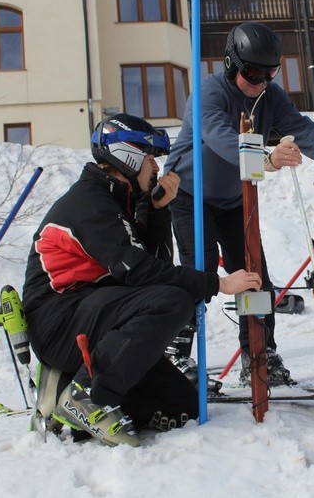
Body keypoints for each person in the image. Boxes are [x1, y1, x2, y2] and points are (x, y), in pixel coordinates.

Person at [22, 113, 259, 447]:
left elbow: (154, 266)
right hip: (59, 321)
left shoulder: (121, 200)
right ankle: (88, 393)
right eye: (149, 157)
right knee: (172, 300)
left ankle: (65, 395)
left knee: (183, 408)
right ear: (125, 155)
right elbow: (141, 273)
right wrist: (217, 284)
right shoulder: (90, 203)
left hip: (96, 318)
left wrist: (159, 209)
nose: (155, 166)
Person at [165, 22, 314, 388]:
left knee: (255, 278)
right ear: (231, 64)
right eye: (253, 72)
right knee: (201, 273)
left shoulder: (270, 95)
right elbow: (221, 138)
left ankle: (260, 352)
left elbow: (299, 127)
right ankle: (175, 354)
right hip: (190, 195)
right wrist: (267, 161)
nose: (261, 81)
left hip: (234, 199)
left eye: (270, 72)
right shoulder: (208, 93)